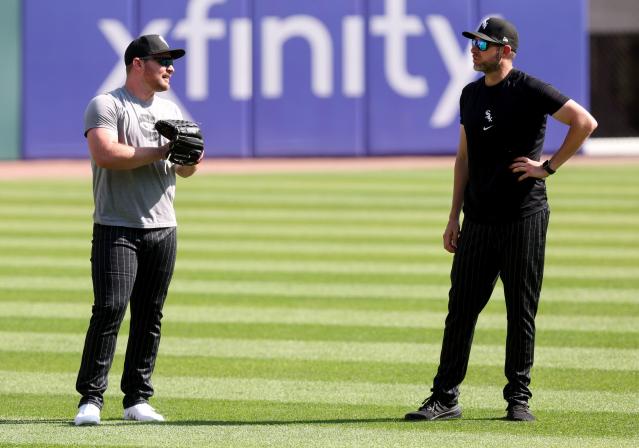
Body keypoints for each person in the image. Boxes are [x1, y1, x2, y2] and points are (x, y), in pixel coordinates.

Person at [404, 17, 597, 422]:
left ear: (506, 51)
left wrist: (549, 167)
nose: (474, 49)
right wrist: (453, 216)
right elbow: (464, 159)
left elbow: (585, 122)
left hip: (522, 217)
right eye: (474, 42)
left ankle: (518, 399)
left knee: (520, 309)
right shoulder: (470, 95)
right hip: (477, 219)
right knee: (461, 308)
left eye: (483, 44)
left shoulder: (528, 88)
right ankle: (444, 397)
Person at [74, 34, 203, 426]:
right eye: (162, 60)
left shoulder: (171, 109)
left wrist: (189, 156)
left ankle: (137, 399)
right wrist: (163, 151)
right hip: (117, 226)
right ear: (137, 64)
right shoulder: (107, 104)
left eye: (171, 60)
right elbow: (106, 154)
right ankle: (91, 399)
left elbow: (186, 169)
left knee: (150, 314)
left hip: (163, 226)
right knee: (110, 309)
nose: (170, 67)